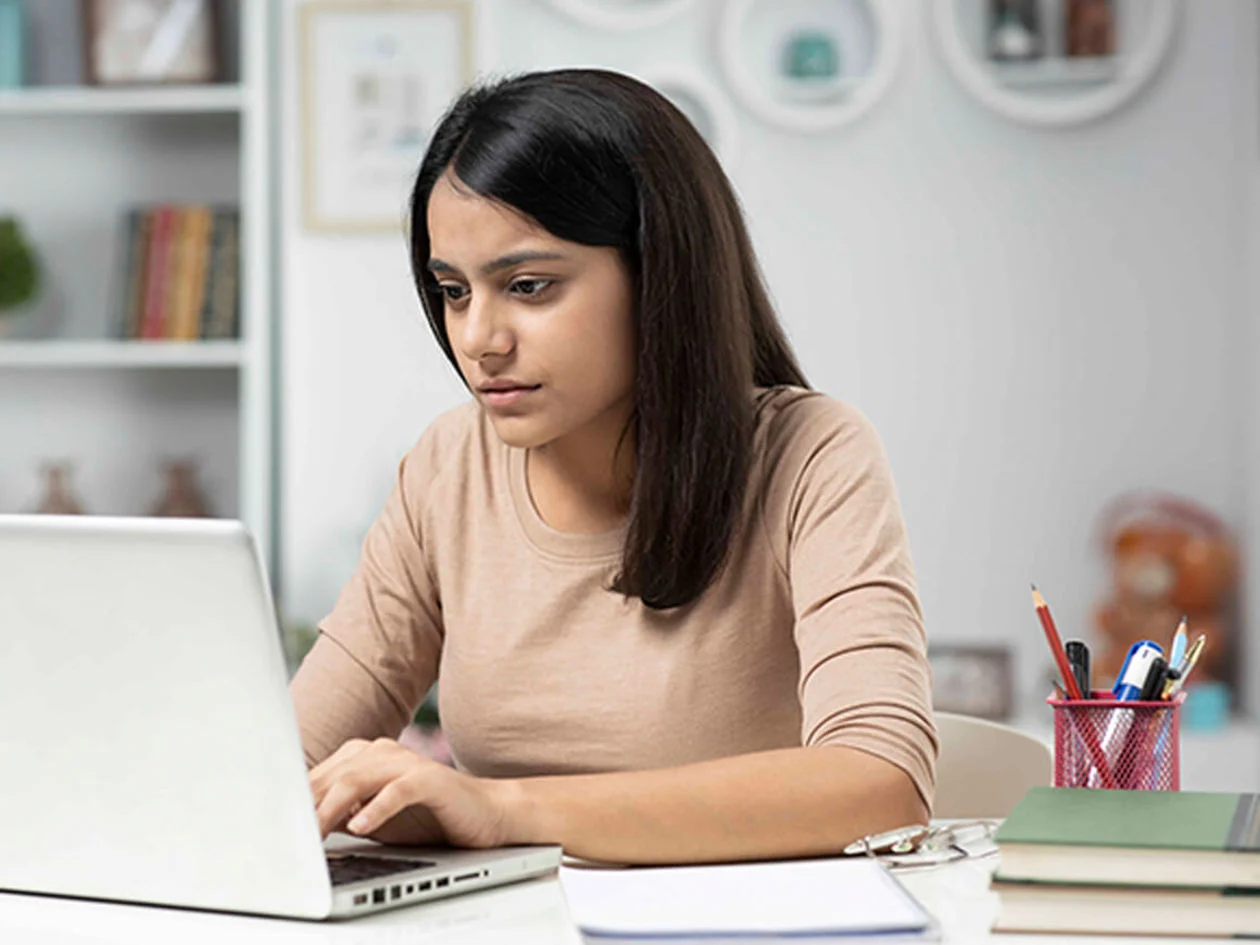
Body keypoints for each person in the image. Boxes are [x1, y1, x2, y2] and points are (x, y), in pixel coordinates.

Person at [291, 68, 936, 866]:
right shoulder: (447, 467)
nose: (479, 338)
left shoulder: (812, 456)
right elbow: (286, 760)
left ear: (660, 273)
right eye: (454, 291)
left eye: (529, 286)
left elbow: (882, 783)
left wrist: (501, 807)